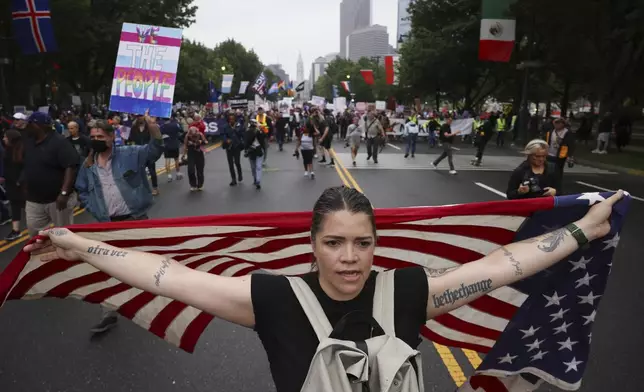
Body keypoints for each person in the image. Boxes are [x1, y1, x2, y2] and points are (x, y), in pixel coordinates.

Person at [24, 187, 625, 392]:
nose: (349, 258)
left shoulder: (410, 290)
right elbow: (165, 276)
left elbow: (506, 265)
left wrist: (582, 227)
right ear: (312, 245)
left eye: (362, 243)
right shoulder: (273, 300)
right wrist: (80, 247)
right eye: (335, 243)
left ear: (375, 245)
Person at [75, 118, 163, 333]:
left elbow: (155, 149)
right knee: (108, 269)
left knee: (145, 266)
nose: (96, 141)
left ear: (112, 137)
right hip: (106, 227)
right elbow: (82, 189)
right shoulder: (88, 164)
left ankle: (154, 306)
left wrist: (153, 126)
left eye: (100, 137)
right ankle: (109, 313)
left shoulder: (130, 154)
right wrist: (94, 208)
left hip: (135, 221)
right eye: (93, 137)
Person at [22, 112, 79, 238]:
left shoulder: (59, 143)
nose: (26, 126)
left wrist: (64, 193)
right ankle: (40, 256)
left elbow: (70, 167)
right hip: (34, 199)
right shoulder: (29, 142)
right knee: (35, 235)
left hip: (56, 200)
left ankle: (64, 257)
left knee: (63, 235)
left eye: (29, 123)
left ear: (38, 125)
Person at [2, 130, 26, 241]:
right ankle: (15, 230)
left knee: (28, 207)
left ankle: (38, 229)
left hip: (21, 184)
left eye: (5, 137)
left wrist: (20, 181)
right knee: (14, 205)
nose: (4, 139)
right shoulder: (7, 150)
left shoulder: (22, 150)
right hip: (10, 183)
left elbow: (26, 167)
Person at [221, 113, 245, 186]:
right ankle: (233, 179)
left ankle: (240, 175)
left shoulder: (239, 125)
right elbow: (223, 135)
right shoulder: (225, 126)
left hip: (237, 146)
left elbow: (242, 135)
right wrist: (226, 140)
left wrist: (242, 141)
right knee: (230, 164)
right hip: (229, 147)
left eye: (233, 119)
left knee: (237, 162)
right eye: (230, 119)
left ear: (235, 119)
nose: (231, 120)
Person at [183, 126, 208, 192]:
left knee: (200, 170)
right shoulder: (187, 136)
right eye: (192, 134)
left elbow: (205, 142)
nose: (193, 136)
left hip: (199, 153)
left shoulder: (200, 134)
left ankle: (200, 185)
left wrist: (201, 142)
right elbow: (185, 145)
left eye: (194, 135)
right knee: (190, 169)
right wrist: (184, 154)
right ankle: (193, 185)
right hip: (191, 154)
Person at [161, 115, 184, 183]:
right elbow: (181, 130)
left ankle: (169, 176)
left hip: (166, 145)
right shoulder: (175, 125)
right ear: (170, 118)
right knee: (176, 159)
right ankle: (178, 173)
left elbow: (159, 135)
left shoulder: (162, 127)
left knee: (167, 160)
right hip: (175, 144)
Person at [244, 120, 266, 190]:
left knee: (258, 166)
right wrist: (246, 150)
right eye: (252, 126)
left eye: (254, 126)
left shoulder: (259, 132)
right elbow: (246, 142)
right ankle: (255, 178)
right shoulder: (248, 133)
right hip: (251, 151)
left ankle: (258, 181)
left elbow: (263, 139)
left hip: (259, 151)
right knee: (253, 167)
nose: (253, 128)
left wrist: (260, 131)